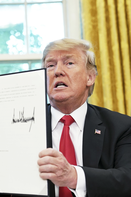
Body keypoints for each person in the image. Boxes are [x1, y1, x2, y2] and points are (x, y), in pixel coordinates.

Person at [37, 38, 131, 197]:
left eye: (69, 63)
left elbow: (127, 179)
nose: (58, 71)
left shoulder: (121, 126)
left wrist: (74, 176)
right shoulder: (23, 125)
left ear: (90, 77)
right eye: (50, 65)